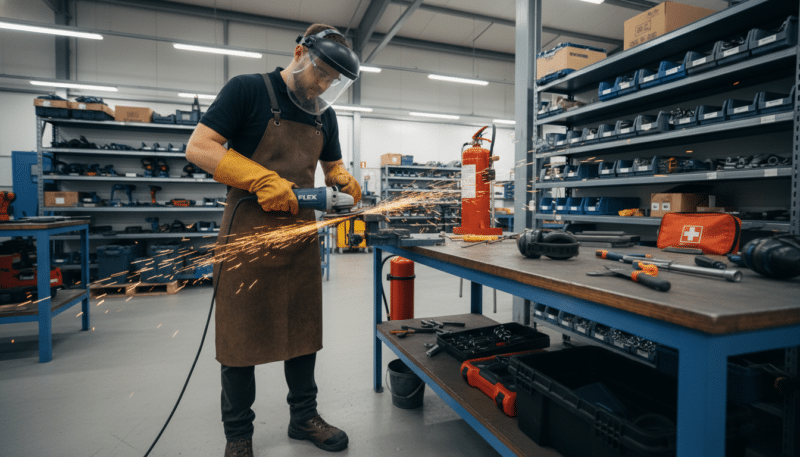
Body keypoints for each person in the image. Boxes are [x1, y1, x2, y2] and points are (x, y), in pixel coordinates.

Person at [185, 23, 362, 457]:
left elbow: (332, 166)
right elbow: (200, 147)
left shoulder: (324, 114)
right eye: (320, 73)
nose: (323, 85)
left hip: (298, 239)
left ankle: (304, 417)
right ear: (300, 53)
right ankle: (238, 434)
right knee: (239, 339)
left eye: (332, 81)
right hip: (246, 236)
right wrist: (260, 178)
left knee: (303, 331)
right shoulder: (247, 90)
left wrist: (342, 179)